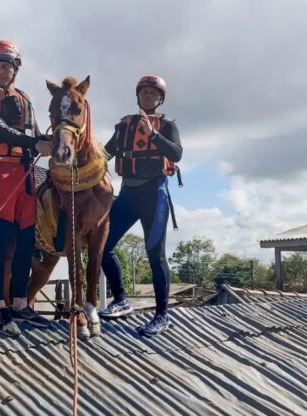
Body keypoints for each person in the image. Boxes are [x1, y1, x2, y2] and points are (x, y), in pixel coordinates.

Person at [0, 40, 52, 337]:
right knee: (2, 240)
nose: (1, 71)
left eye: (6, 66)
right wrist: (35, 143)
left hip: (27, 172)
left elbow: (35, 133)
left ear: (16, 68)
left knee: (26, 241)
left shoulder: (26, 99)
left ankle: (20, 303)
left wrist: (53, 140)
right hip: (0, 172)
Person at [99, 74, 183, 337]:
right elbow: (105, 153)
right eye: (144, 92)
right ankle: (121, 301)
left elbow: (177, 153)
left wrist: (153, 134)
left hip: (154, 195)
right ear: (138, 96)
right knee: (102, 245)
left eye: (153, 94)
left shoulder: (167, 124)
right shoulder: (125, 125)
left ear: (160, 99)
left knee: (155, 257)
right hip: (128, 194)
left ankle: (162, 316)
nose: (148, 96)